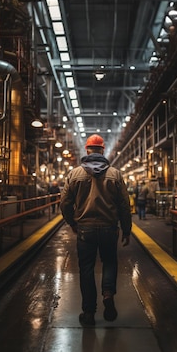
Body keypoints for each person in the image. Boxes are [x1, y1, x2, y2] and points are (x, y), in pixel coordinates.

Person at [60, 134, 132, 327]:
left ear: (87, 150)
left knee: (86, 269)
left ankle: (89, 312)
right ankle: (108, 294)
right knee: (109, 263)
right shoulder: (115, 174)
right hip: (109, 228)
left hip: (85, 229)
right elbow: (124, 204)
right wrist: (126, 229)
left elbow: (65, 203)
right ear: (102, 149)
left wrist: (72, 222)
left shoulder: (74, 174)